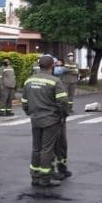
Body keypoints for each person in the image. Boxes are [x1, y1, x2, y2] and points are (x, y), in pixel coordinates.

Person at [22, 55, 69, 188]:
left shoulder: (29, 81)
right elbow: (63, 102)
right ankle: (45, 179)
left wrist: (30, 113)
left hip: (35, 119)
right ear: (52, 66)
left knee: (36, 148)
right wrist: (63, 115)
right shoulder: (55, 81)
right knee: (47, 149)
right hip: (51, 120)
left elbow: (24, 102)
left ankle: (35, 176)